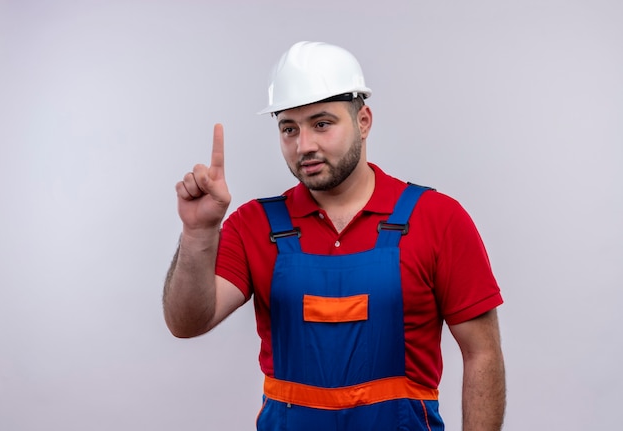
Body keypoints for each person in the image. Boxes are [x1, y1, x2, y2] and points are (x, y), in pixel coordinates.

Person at [163, 41, 506, 431]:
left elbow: (482, 354)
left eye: (322, 124)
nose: (304, 145)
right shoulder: (254, 225)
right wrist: (198, 232)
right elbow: (187, 323)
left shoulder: (438, 219)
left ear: (363, 121)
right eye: (288, 128)